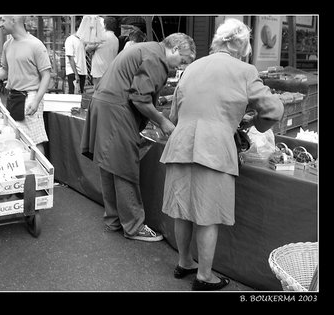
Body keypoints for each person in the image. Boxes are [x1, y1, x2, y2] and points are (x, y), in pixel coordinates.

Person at [159, 19, 284, 291]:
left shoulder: (191, 68)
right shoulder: (245, 70)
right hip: (214, 148)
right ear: (239, 44)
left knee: (183, 209)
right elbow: (273, 110)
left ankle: (184, 262)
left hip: (181, 144)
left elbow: (175, 115)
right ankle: (205, 276)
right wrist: (254, 123)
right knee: (207, 214)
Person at [80, 33, 196, 242]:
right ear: (176, 49)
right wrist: (162, 122)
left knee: (109, 165)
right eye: (183, 60)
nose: (181, 66)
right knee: (124, 167)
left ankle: (113, 219)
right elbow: (140, 99)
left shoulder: (148, 49)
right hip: (116, 108)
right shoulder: (156, 58)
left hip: (103, 104)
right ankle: (133, 226)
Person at [0, 16, 51, 155]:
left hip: (31, 96)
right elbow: (5, 71)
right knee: (16, 138)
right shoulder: (7, 45)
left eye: (3, 20)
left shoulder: (36, 45)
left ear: (14, 20)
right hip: (13, 96)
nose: (0, 24)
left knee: (35, 141)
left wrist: (36, 101)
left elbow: (46, 75)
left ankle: (42, 175)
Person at [85, 16, 119, 88]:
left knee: (98, 92)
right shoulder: (116, 39)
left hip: (99, 72)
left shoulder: (102, 37)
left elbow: (87, 48)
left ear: (105, 25)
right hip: (110, 71)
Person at [65, 17, 87, 94]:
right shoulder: (70, 39)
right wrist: (76, 74)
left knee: (80, 94)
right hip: (73, 72)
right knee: (73, 94)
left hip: (82, 72)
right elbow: (70, 58)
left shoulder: (82, 41)